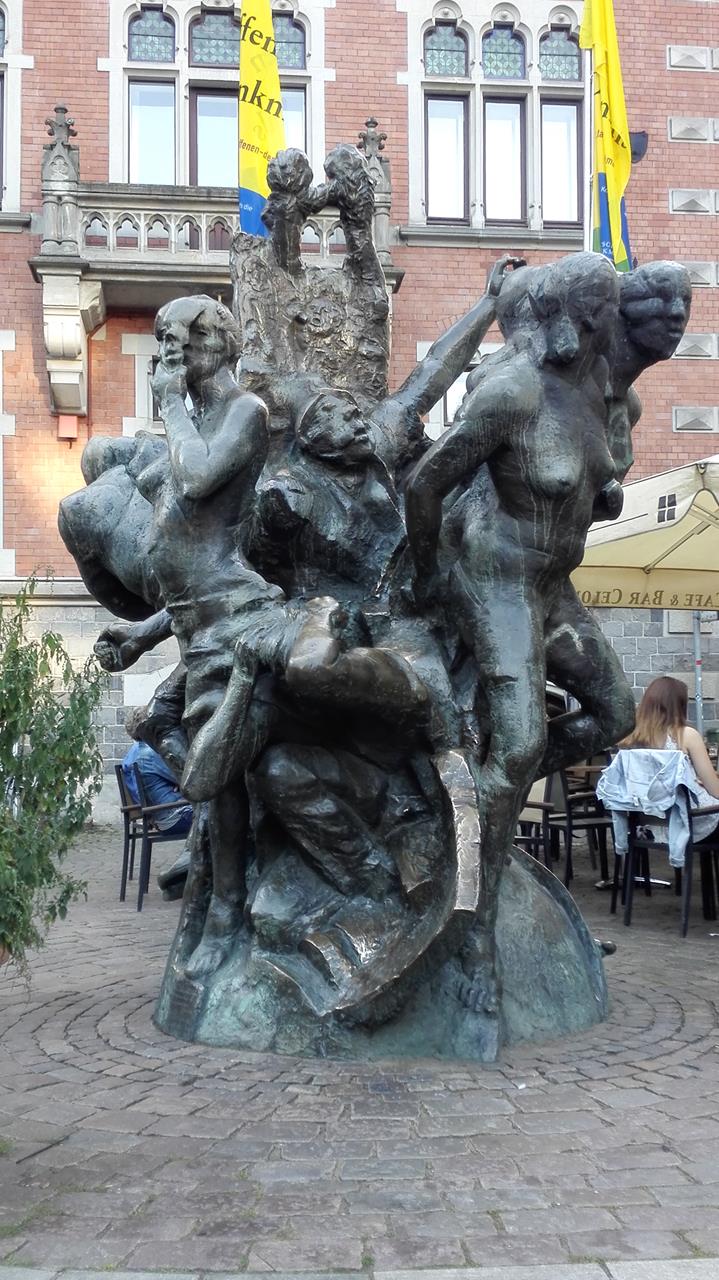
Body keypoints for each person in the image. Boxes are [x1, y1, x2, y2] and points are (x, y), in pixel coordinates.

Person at [404, 252, 636, 1019]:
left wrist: (601, 488)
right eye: (602, 314)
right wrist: (428, 574)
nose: (610, 327)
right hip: (495, 580)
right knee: (520, 742)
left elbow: (595, 486)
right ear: (572, 319)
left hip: (551, 587)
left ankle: (477, 802)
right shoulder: (511, 391)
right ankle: (473, 936)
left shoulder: (594, 394)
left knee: (614, 713)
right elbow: (425, 482)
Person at [599, 676, 719, 861]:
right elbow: (714, 790)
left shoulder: (631, 738)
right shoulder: (686, 735)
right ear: (678, 705)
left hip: (648, 823)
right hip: (690, 822)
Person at [121, 707, 193, 838]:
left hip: (163, 816)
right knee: (221, 815)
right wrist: (178, 785)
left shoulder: (137, 752)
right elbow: (188, 780)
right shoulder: (152, 753)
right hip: (176, 815)